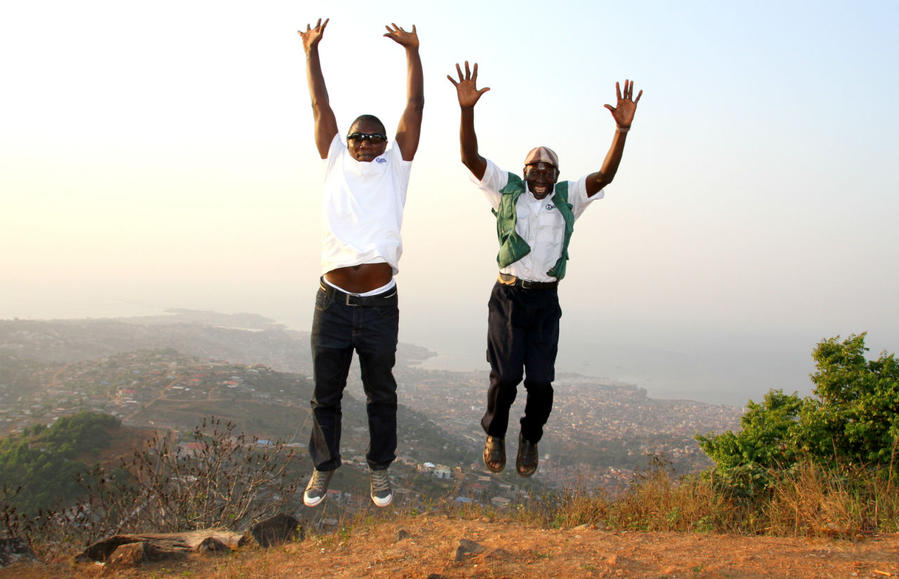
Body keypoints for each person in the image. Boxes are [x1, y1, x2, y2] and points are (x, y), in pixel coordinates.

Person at [448, 61, 641, 477]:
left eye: (547, 167)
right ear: (524, 171)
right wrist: (467, 110)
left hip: (545, 301)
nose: (539, 171)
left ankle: (529, 439)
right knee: (504, 378)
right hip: (508, 297)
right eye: (533, 165)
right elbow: (469, 157)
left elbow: (604, 175)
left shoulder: (569, 197)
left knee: (540, 383)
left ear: (555, 175)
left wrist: (621, 132)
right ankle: (495, 433)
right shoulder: (506, 191)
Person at [298, 18, 423, 508]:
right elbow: (319, 105)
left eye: (375, 137)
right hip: (331, 303)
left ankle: (379, 469)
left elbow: (414, 107)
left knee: (380, 394)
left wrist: (412, 53)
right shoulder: (333, 159)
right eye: (359, 136)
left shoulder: (396, 168)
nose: (367, 143)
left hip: (378, 306)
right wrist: (311, 51)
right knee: (325, 394)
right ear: (345, 141)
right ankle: (324, 467)